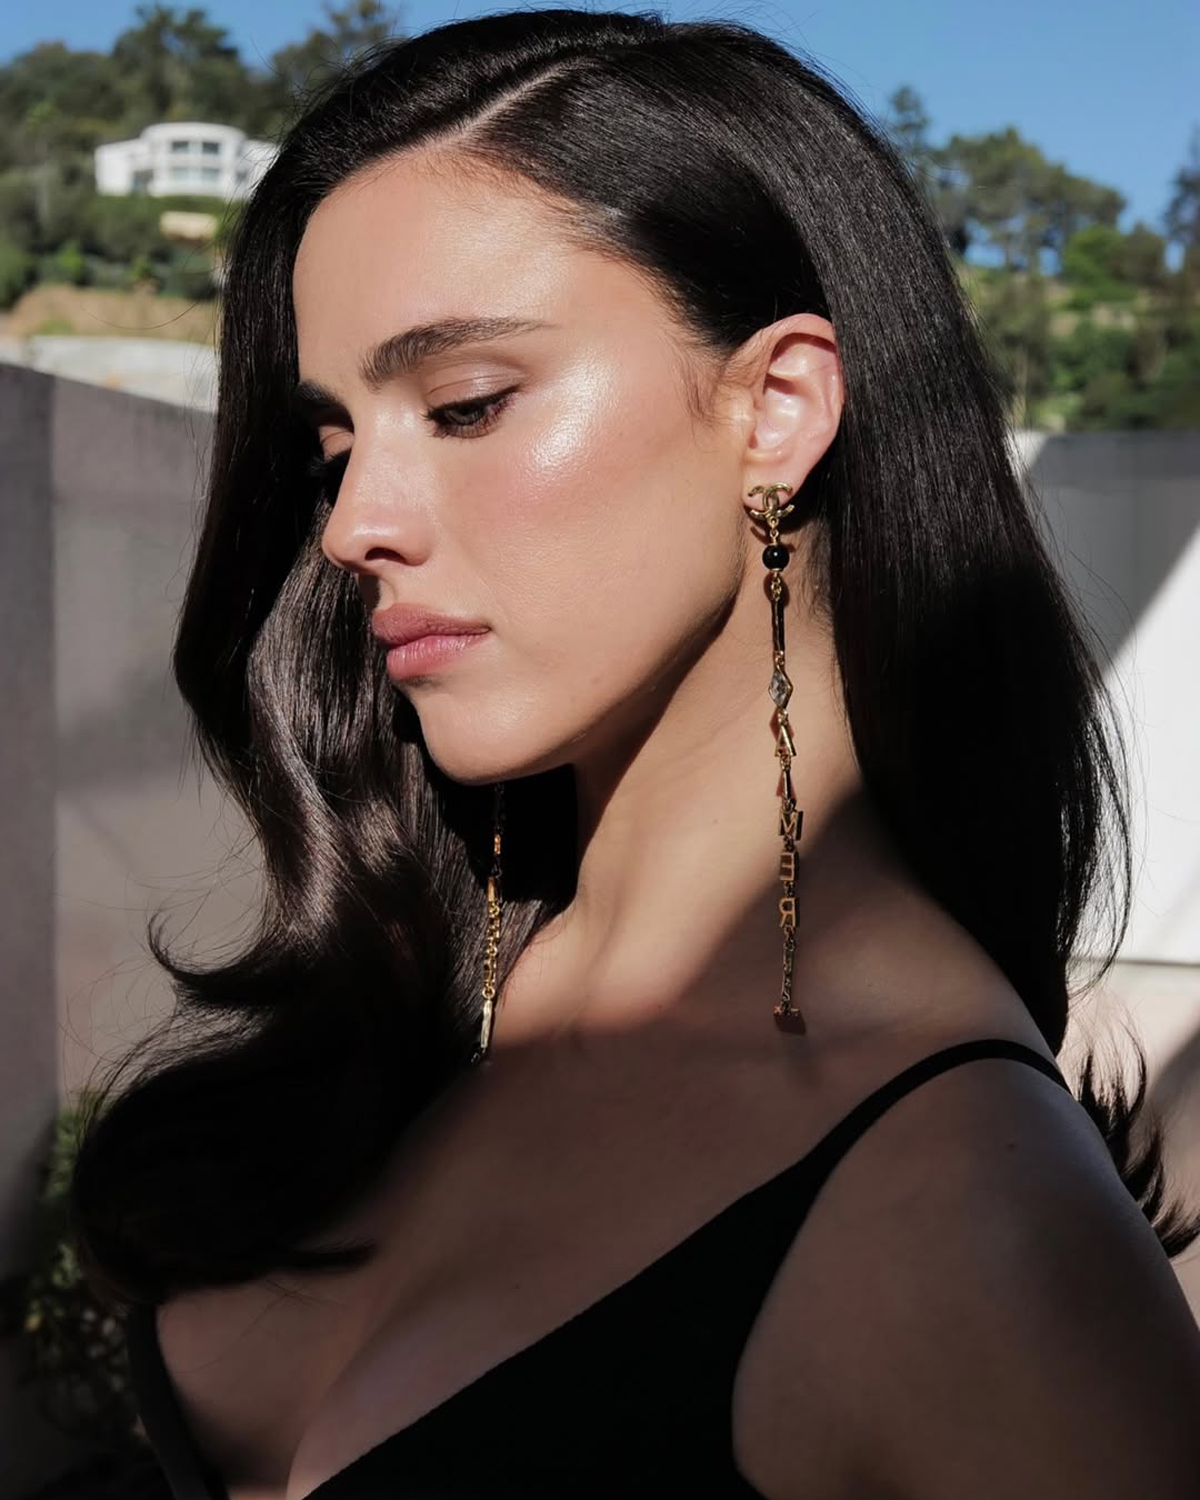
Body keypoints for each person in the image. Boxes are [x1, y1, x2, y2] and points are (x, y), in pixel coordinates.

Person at [69, 9, 1200, 1499]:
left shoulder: (979, 1236)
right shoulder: (425, 994)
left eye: (466, 405)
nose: (351, 526)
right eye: (336, 446)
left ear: (776, 409)